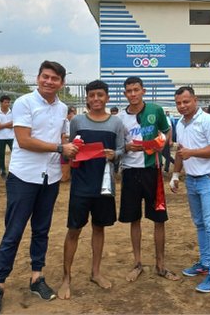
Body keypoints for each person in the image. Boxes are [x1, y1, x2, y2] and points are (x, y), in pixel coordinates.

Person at [0, 61, 79, 315]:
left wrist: (67, 155)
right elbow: (24, 141)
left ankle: (37, 277)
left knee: (42, 229)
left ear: (62, 82)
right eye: (45, 77)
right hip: (24, 177)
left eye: (54, 78)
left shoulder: (61, 109)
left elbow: (63, 137)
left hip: (51, 177)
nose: (49, 82)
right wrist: (60, 149)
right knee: (13, 231)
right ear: (38, 78)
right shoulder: (24, 102)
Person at [59, 80, 125, 300]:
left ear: (107, 97)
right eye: (92, 95)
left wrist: (114, 154)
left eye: (100, 95)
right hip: (81, 185)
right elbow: (72, 148)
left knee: (99, 228)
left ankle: (95, 272)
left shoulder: (116, 123)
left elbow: (122, 149)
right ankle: (66, 278)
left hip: (104, 186)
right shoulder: (77, 121)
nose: (96, 99)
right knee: (74, 230)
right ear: (86, 98)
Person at [117, 76, 180, 283]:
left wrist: (160, 144)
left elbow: (167, 130)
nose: (133, 94)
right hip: (130, 172)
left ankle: (160, 265)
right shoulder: (120, 119)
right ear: (125, 93)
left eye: (136, 90)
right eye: (129, 91)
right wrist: (127, 147)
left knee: (158, 219)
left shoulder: (156, 110)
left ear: (143, 90)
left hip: (152, 172)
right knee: (134, 219)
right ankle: (138, 263)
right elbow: (119, 147)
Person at [169, 86, 210, 293]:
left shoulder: (208, 120)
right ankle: (205, 263)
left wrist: (193, 153)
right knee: (200, 224)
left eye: (186, 102)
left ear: (195, 100)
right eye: (178, 103)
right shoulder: (180, 124)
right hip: (192, 180)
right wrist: (175, 175)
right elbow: (180, 152)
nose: (182, 106)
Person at [0, 95, 15, 179]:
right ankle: (2, 171)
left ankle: (14, 170)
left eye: (8, 102)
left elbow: (14, 124)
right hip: (0, 137)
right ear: (1, 103)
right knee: (1, 155)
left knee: (15, 154)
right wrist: (8, 124)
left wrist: (2, 125)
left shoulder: (13, 112)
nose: (7, 104)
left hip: (12, 137)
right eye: (5, 102)